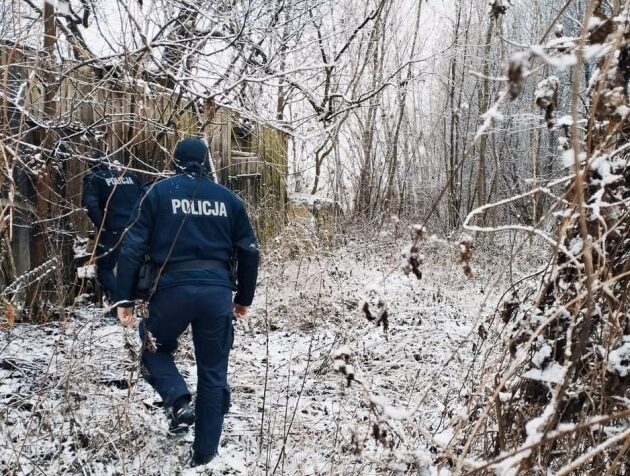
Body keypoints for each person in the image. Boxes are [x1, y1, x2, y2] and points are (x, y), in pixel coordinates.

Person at [114, 138, 259, 467]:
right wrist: (244, 298)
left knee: (152, 350)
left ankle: (179, 400)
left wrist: (124, 298)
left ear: (174, 161)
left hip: (171, 291)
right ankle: (205, 454)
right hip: (216, 294)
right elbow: (250, 251)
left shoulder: (158, 193)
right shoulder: (228, 199)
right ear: (207, 161)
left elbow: (133, 246)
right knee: (213, 373)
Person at [82, 150, 143, 304]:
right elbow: (145, 199)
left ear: (92, 166)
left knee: (104, 269)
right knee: (134, 266)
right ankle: (137, 301)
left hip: (113, 230)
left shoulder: (94, 179)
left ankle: (120, 304)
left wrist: (102, 225)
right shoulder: (131, 177)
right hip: (136, 229)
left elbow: (90, 204)